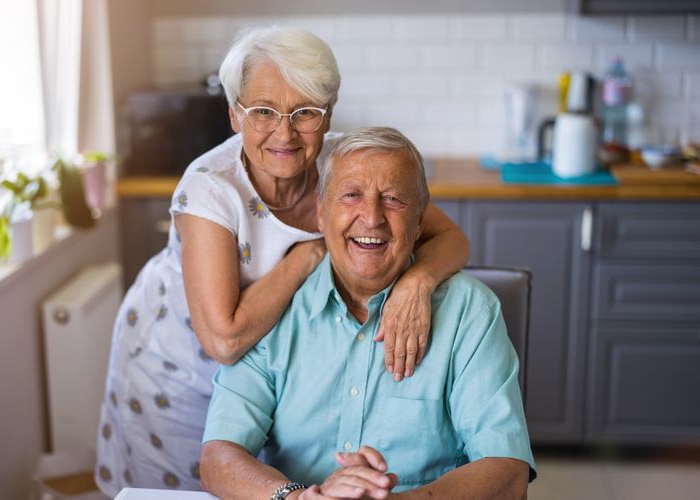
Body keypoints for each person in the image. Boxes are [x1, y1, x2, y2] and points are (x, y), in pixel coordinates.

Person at [96, 27, 469, 496]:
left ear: (329, 114)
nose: (284, 132)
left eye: (305, 112)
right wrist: (309, 254)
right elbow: (224, 339)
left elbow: (451, 238)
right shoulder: (211, 187)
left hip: (271, 379)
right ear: (234, 115)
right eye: (263, 112)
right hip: (178, 373)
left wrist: (417, 282)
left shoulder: (345, 167)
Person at [200, 127, 535, 500]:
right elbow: (218, 457)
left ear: (421, 221)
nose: (372, 217)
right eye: (352, 195)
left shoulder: (470, 312)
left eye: (393, 200)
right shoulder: (276, 309)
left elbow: (508, 471)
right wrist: (296, 498)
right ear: (321, 214)